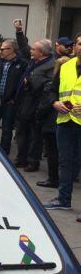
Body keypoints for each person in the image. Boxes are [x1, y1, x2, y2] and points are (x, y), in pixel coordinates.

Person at [42, 35, 81, 210]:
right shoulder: (65, 67)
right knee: (65, 162)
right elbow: (52, 89)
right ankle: (63, 199)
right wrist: (54, 102)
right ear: (75, 47)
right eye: (80, 44)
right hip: (65, 120)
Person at [0, 39, 28, 155]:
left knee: (7, 130)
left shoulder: (22, 64)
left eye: (3, 49)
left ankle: (4, 153)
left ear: (12, 50)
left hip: (10, 103)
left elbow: (23, 85)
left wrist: (16, 99)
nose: (0, 51)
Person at [14, 39, 54, 172]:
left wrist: (31, 80)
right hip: (24, 102)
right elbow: (24, 48)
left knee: (34, 135)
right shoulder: (33, 61)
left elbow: (48, 85)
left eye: (34, 49)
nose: (31, 51)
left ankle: (32, 161)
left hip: (36, 104)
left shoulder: (50, 65)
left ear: (41, 53)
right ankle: (21, 158)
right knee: (21, 132)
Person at [35, 56, 68, 189]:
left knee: (53, 151)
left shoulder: (54, 83)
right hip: (64, 120)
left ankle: (53, 178)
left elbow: (47, 103)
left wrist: (39, 116)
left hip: (52, 121)